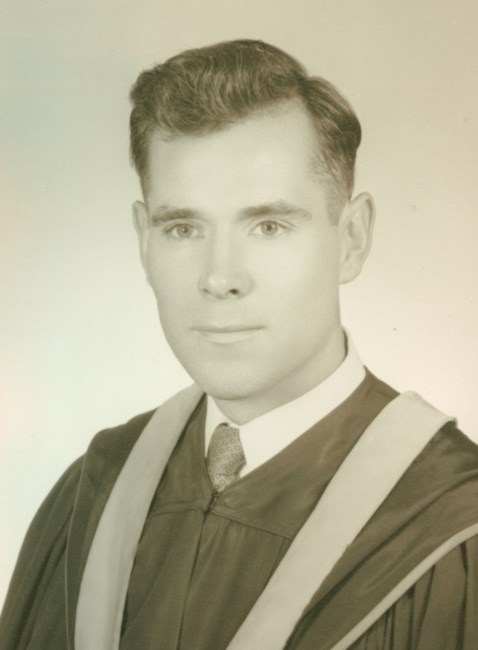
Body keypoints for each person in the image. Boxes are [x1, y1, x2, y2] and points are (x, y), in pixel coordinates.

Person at [1, 39, 477, 650]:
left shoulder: (448, 524)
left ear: (351, 239)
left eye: (268, 226)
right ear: (144, 242)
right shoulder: (94, 495)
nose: (219, 277)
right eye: (183, 228)